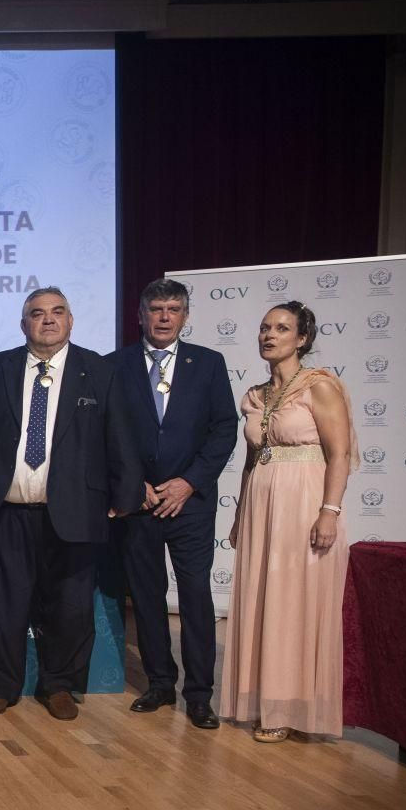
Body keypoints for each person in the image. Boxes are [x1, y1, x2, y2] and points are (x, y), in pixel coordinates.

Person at [0, 287, 143, 721]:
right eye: (37, 313)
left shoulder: (99, 371)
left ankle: (59, 685)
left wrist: (125, 496)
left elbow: (120, 436)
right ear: (23, 323)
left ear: (70, 320)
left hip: (75, 510)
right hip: (5, 509)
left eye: (57, 312)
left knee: (69, 605)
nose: (47, 320)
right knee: (4, 603)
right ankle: (0, 685)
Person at [221, 302, 355, 743]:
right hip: (262, 506)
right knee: (265, 601)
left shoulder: (320, 387)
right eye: (264, 327)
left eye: (281, 328)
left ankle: (295, 709)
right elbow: (251, 460)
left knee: (296, 603)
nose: (269, 335)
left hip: (305, 502)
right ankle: (267, 702)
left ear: (301, 340)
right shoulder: (256, 396)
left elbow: (339, 455)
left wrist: (329, 511)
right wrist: (240, 513)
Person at [112, 279, 238, 730]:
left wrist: (189, 482)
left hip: (191, 504)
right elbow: (109, 436)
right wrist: (134, 484)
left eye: (173, 309)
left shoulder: (208, 363)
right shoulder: (115, 365)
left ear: (185, 316)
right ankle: (160, 683)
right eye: (156, 309)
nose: (164, 317)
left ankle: (199, 694)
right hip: (140, 503)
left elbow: (224, 429)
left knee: (196, 598)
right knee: (145, 597)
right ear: (140, 315)